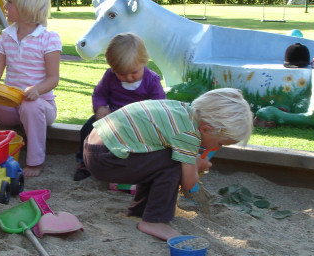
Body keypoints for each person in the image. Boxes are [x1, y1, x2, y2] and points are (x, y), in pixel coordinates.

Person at [83, 88, 253, 241]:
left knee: (160, 160)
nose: (217, 148)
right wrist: (196, 165)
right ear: (206, 129)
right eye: (221, 143)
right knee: (173, 162)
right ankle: (154, 221)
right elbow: (188, 184)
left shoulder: (181, 109)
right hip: (106, 158)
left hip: (96, 147)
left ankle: (140, 211)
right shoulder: (188, 133)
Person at [0, 0, 61, 177]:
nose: (5, 6)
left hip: (41, 106)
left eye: (10, 2)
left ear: (27, 7)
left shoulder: (48, 38)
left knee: (31, 105)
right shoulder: (6, 36)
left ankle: (36, 162)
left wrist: (36, 90)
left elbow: (53, 78)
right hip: (11, 105)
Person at [73, 32, 166, 181]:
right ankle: (85, 162)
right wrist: (101, 108)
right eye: (121, 74)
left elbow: (159, 105)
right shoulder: (110, 76)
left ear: (144, 61)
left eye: (134, 72)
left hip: (139, 120)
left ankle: (137, 167)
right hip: (112, 116)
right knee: (87, 129)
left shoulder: (152, 81)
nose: (128, 77)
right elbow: (99, 94)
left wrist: (149, 120)